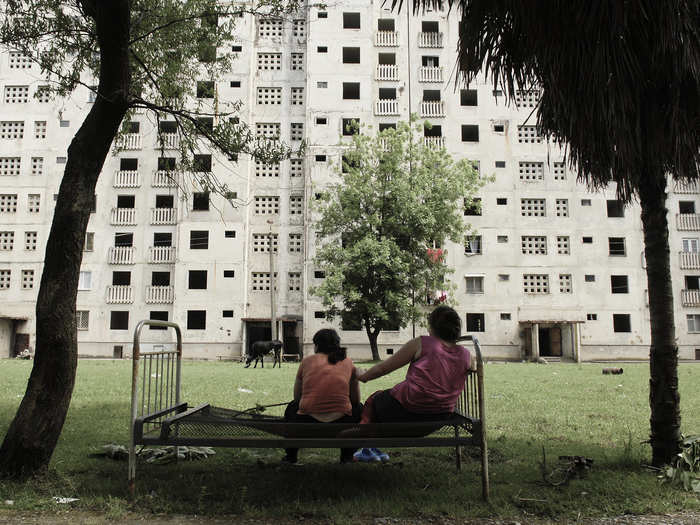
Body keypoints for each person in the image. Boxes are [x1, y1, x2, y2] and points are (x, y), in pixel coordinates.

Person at [357, 305, 474, 425]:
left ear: (432, 327)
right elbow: (470, 369)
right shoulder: (467, 355)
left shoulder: (422, 343)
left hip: (405, 408)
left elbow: (383, 369)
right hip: (440, 416)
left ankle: (361, 433)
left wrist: (364, 376)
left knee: (374, 401)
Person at [282, 328, 362, 464]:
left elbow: (297, 398)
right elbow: (355, 400)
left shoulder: (306, 361)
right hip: (342, 422)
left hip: (306, 421)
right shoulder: (348, 362)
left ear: (317, 345)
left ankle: (291, 456)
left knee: (292, 406)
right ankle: (347, 456)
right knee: (359, 408)